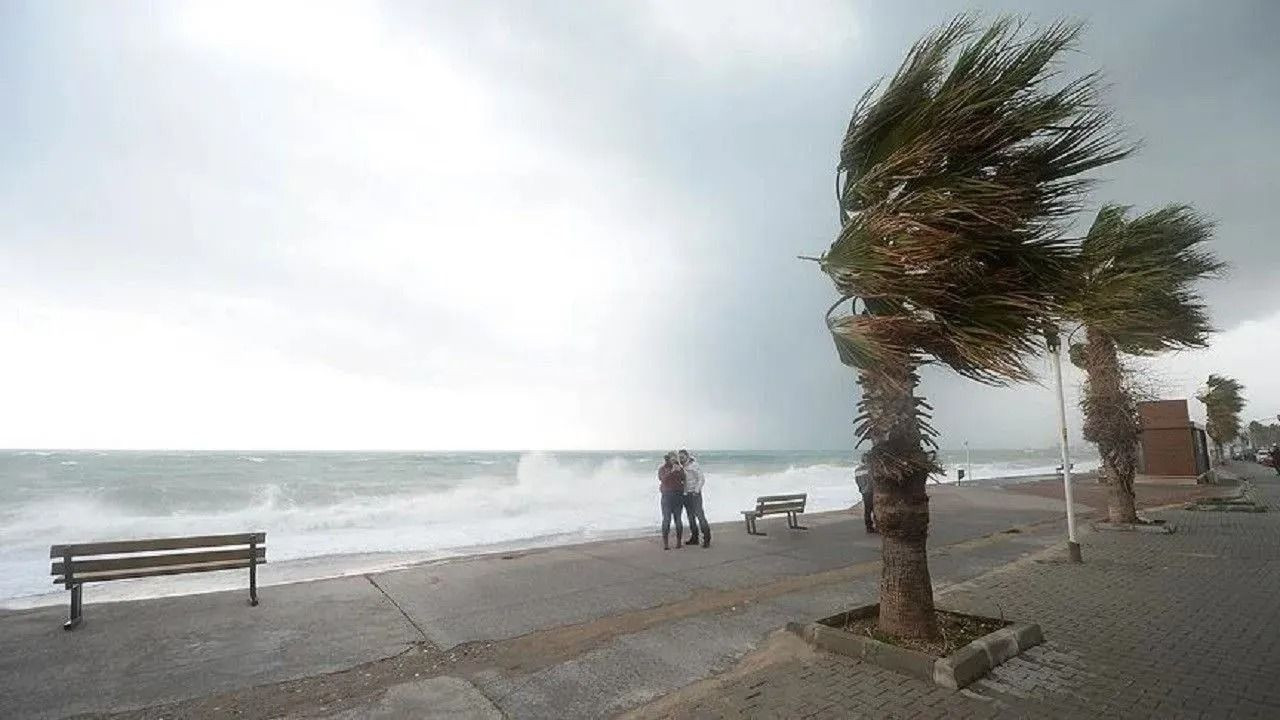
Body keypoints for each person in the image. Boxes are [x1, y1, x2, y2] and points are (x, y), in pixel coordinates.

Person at [679, 449, 710, 548]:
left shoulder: (694, 465)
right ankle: (694, 538)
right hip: (686, 495)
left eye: (682, 457)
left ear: (687, 456)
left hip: (695, 494)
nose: (681, 459)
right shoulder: (681, 467)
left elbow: (701, 479)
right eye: (680, 457)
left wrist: (696, 491)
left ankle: (707, 538)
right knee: (690, 517)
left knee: (700, 516)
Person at [658, 451, 686, 549]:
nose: (674, 460)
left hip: (677, 496)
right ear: (668, 459)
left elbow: (684, 478)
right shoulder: (662, 469)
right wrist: (672, 471)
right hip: (667, 496)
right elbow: (662, 479)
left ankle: (678, 542)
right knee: (666, 519)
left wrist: (680, 470)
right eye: (673, 458)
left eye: (676, 458)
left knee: (678, 519)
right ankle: (666, 544)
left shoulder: (679, 468)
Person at [855, 454, 876, 534]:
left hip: (864, 491)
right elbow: (872, 481)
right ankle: (875, 525)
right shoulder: (869, 469)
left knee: (867, 509)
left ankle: (868, 526)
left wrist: (861, 489)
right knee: (874, 508)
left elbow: (857, 481)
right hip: (871, 490)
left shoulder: (857, 470)